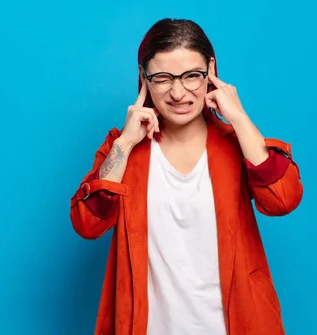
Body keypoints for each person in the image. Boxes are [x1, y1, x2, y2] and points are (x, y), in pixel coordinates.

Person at [70, 18, 303, 335]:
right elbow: (87, 224)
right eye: (163, 78)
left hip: (236, 323)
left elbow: (284, 199)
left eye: (192, 76)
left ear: (211, 69)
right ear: (144, 78)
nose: (178, 93)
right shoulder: (123, 148)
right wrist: (124, 143)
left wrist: (238, 116)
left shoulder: (236, 144)